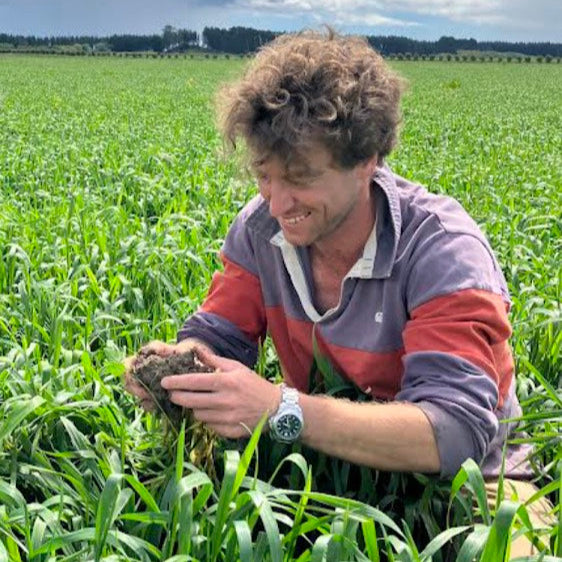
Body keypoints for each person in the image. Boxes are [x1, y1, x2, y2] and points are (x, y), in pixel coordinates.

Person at [125, 30, 552, 556]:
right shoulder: (260, 231)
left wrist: (281, 409)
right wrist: (184, 366)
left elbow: (455, 432)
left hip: (473, 477)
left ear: (367, 158)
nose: (278, 203)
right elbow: (220, 334)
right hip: (324, 459)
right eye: (264, 175)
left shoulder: (441, 248)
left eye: (300, 177)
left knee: (513, 547)